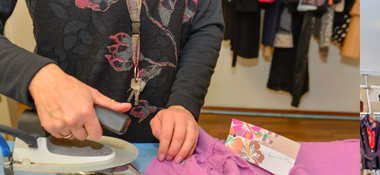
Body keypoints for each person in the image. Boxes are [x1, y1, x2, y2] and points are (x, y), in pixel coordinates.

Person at [0, 0, 224, 164]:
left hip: (162, 143)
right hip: (61, 139)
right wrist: (38, 77)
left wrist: (185, 101)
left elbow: (204, 24)